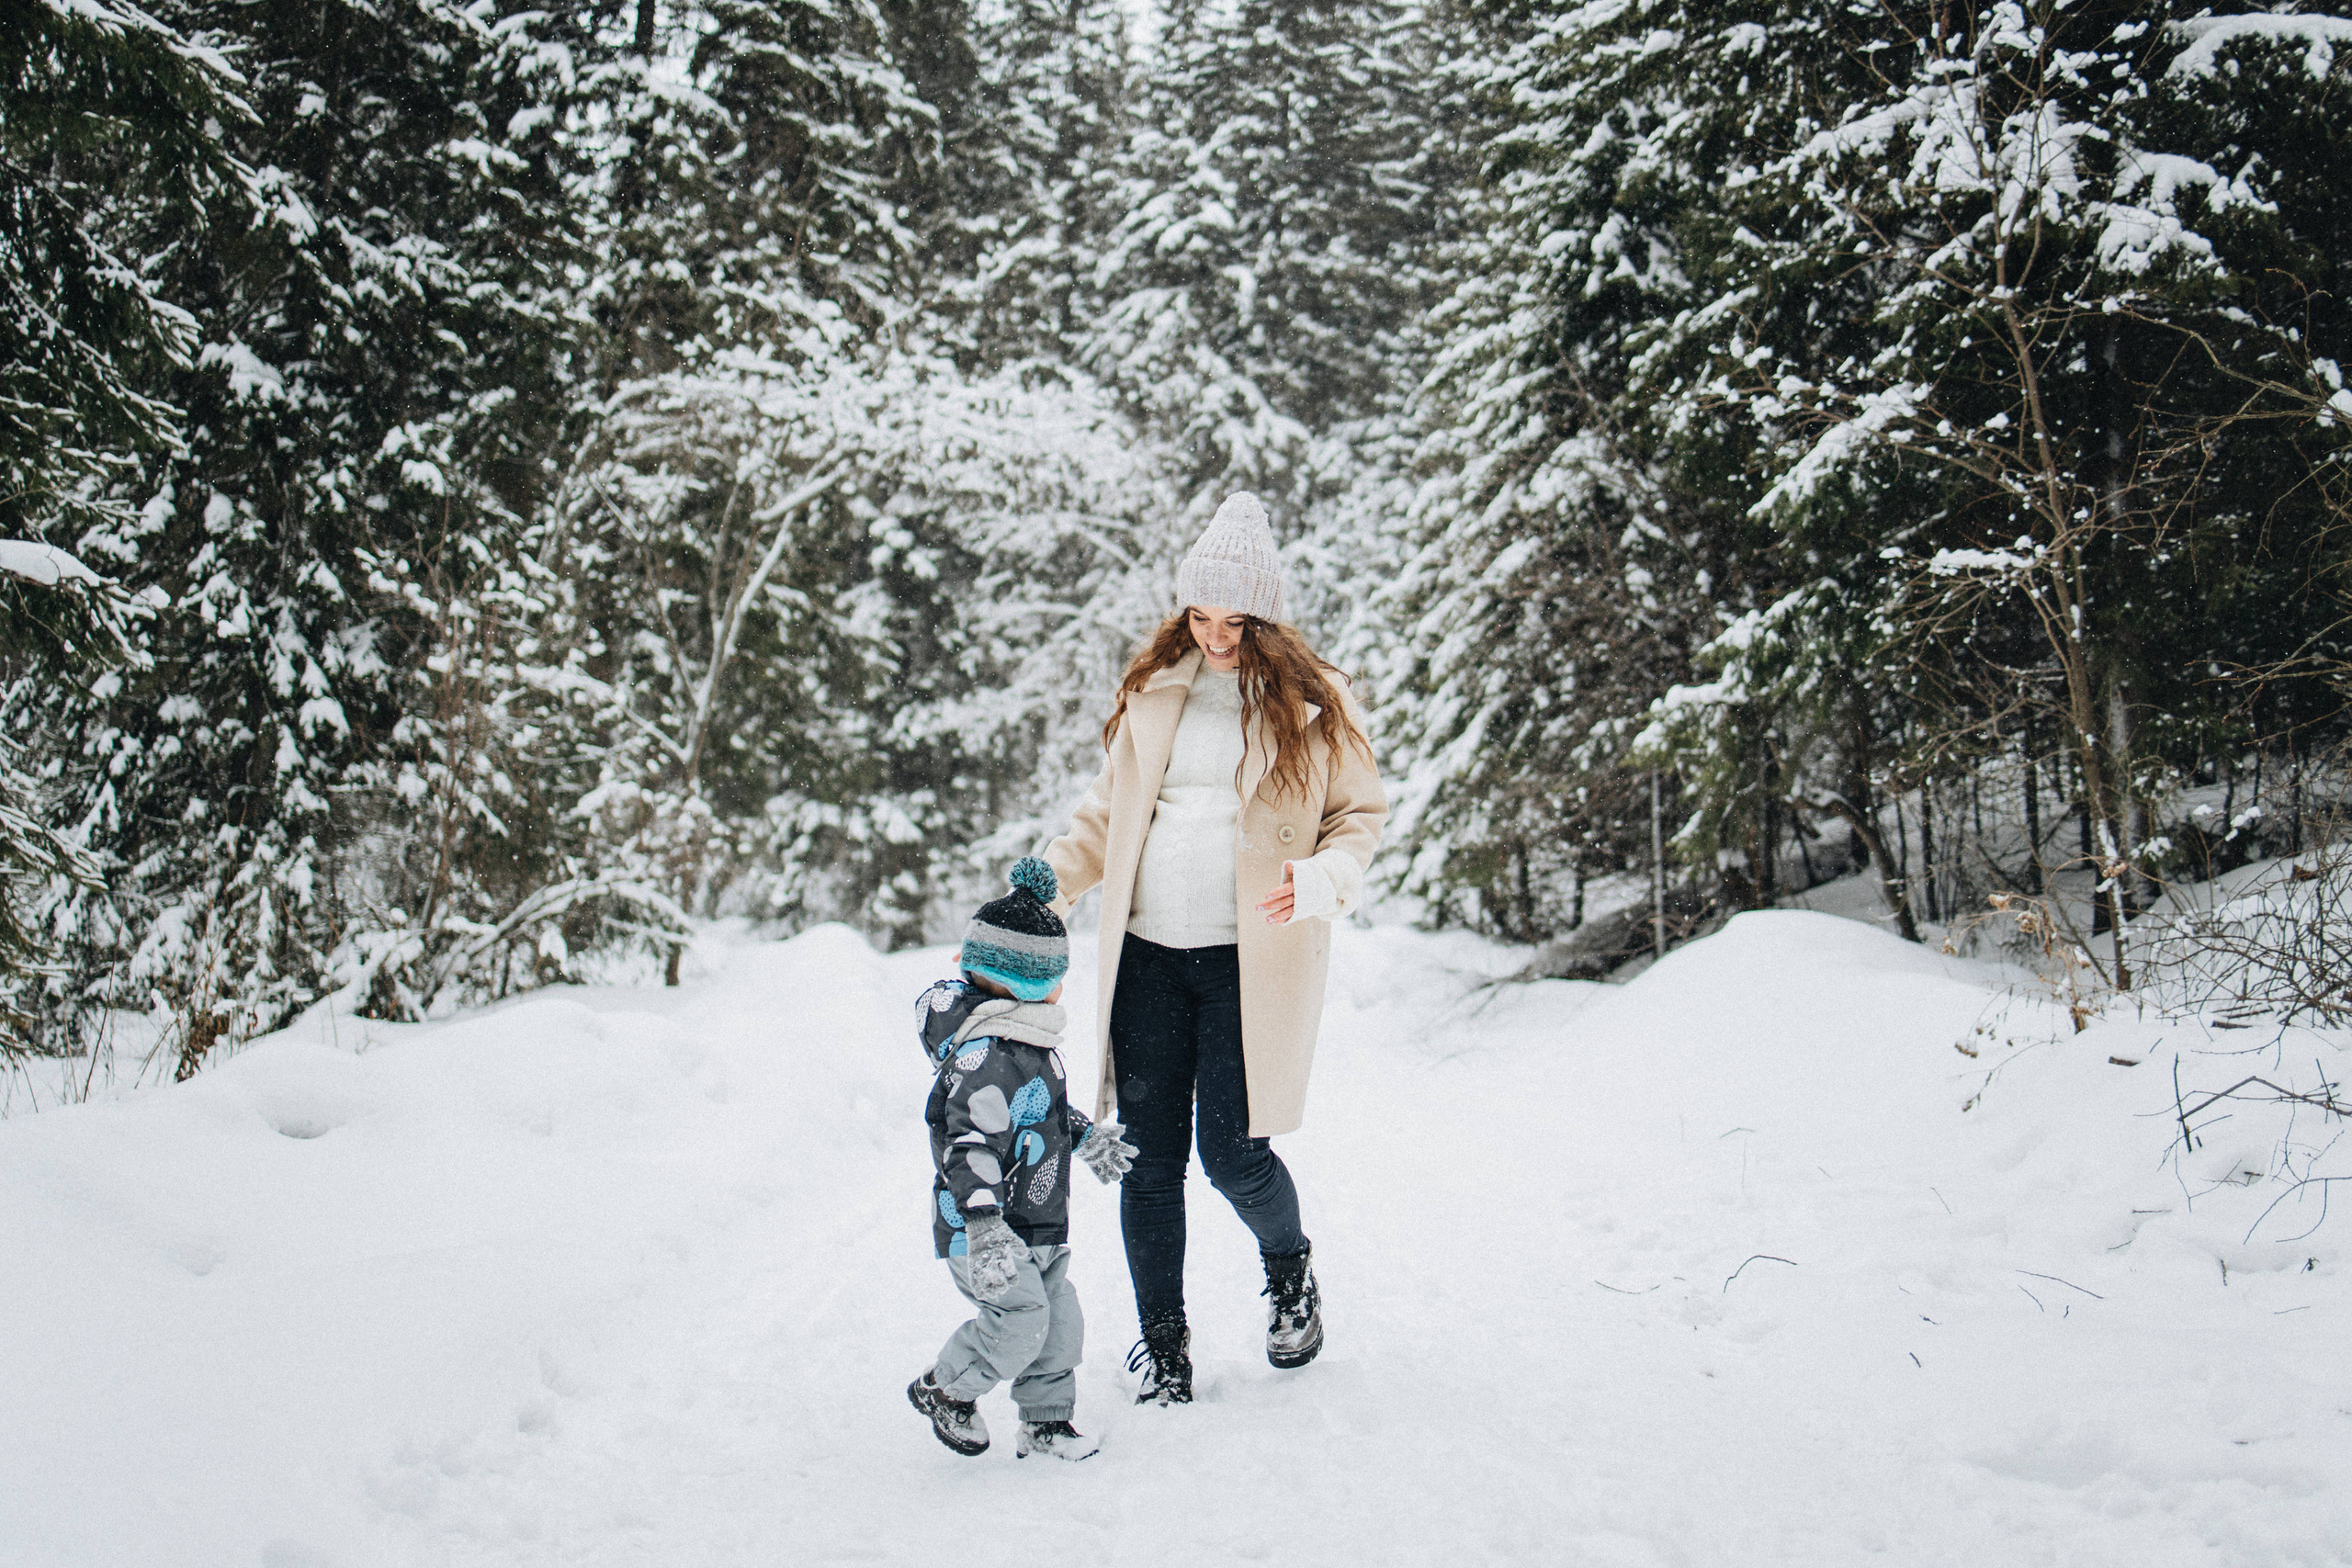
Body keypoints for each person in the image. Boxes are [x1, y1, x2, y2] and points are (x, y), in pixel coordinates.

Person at [1042, 492, 1386, 1404]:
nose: (1215, 637)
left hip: (1248, 960)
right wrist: (1047, 881)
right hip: (1149, 954)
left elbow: (1359, 815)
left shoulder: (1315, 703)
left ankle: (1290, 1272)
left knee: (1232, 1155)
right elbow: (1107, 815)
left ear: (1265, 618)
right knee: (1147, 1162)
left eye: (1234, 621)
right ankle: (1164, 1346)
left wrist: (1321, 877)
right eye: (1199, 617)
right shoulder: (1153, 690)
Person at [906, 857, 1137, 1460]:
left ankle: (1045, 1422)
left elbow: (1044, 1115)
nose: (1063, 987)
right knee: (1021, 1322)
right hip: (984, 1229)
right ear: (1028, 980)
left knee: (1059, 1323)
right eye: (1057, 975)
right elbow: (971, 1145)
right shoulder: (985, 1057)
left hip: (1036, 1223)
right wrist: (983, 1226)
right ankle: (947, 1388)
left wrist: (1086, 1137)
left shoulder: (1031, 1048)